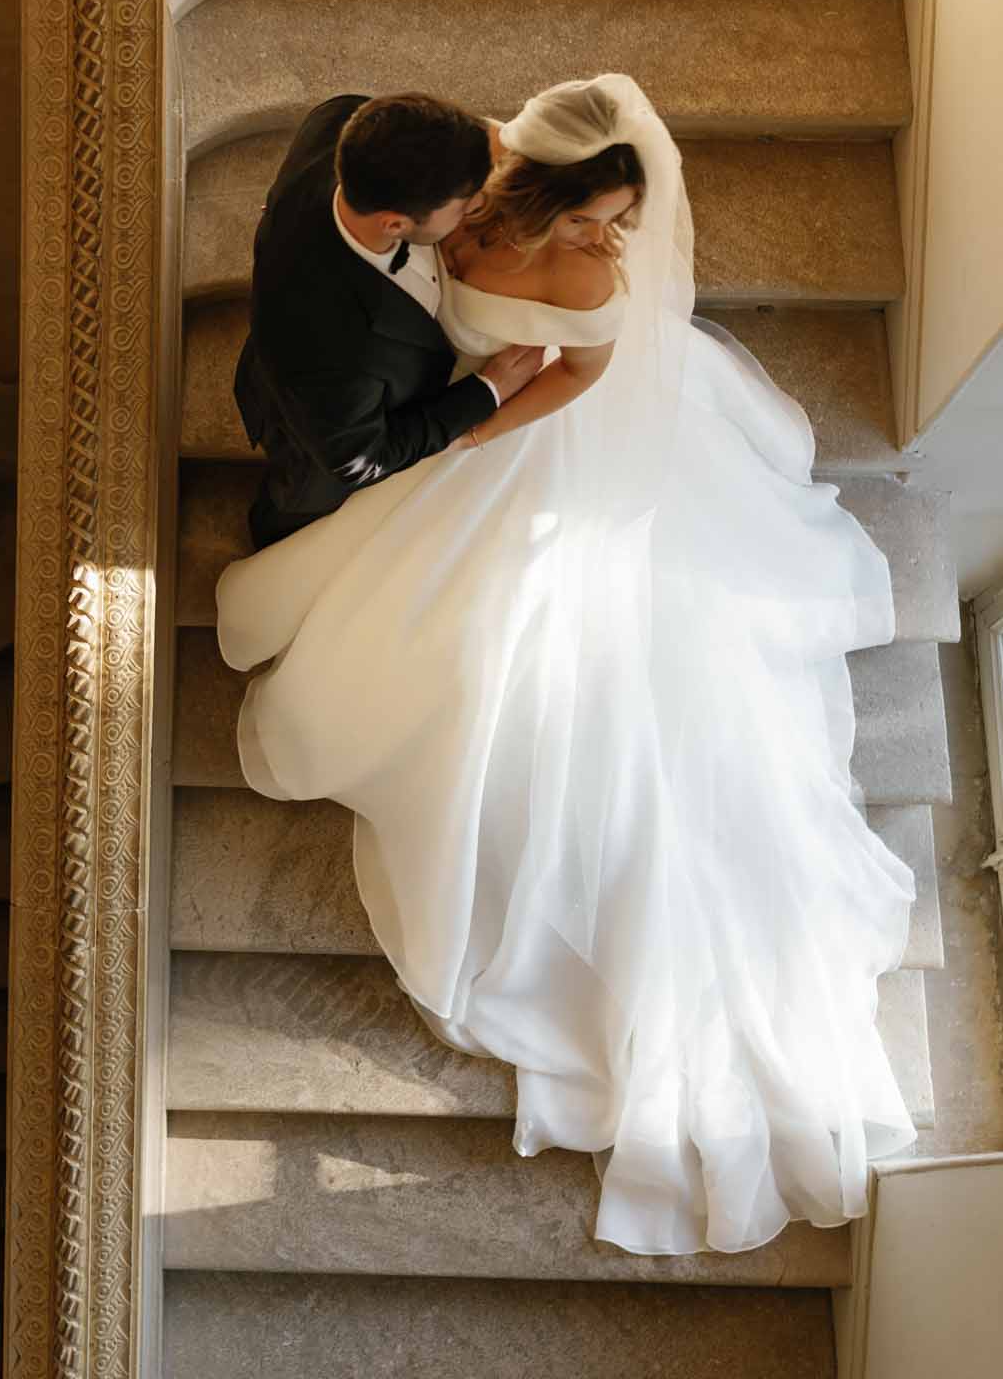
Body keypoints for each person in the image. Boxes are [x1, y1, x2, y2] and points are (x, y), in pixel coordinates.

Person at [218, 74, 916, 1259]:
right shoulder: (465, 176)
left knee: (507, 671)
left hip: (533, 440)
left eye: (621, 227)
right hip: (457, 412)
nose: (611, 244)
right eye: (598, 219)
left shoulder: (580, 277)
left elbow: (582, 376)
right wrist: (471, 399)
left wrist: (482, 420)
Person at [233, 91, 543, 549]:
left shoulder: (340, 123)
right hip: (317, 427)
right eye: (464, 203)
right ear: (395, 224)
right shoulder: (328, 340)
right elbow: (358, 459)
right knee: (293, 515)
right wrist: (488, 390)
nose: (479, 203)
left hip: (361, 363)